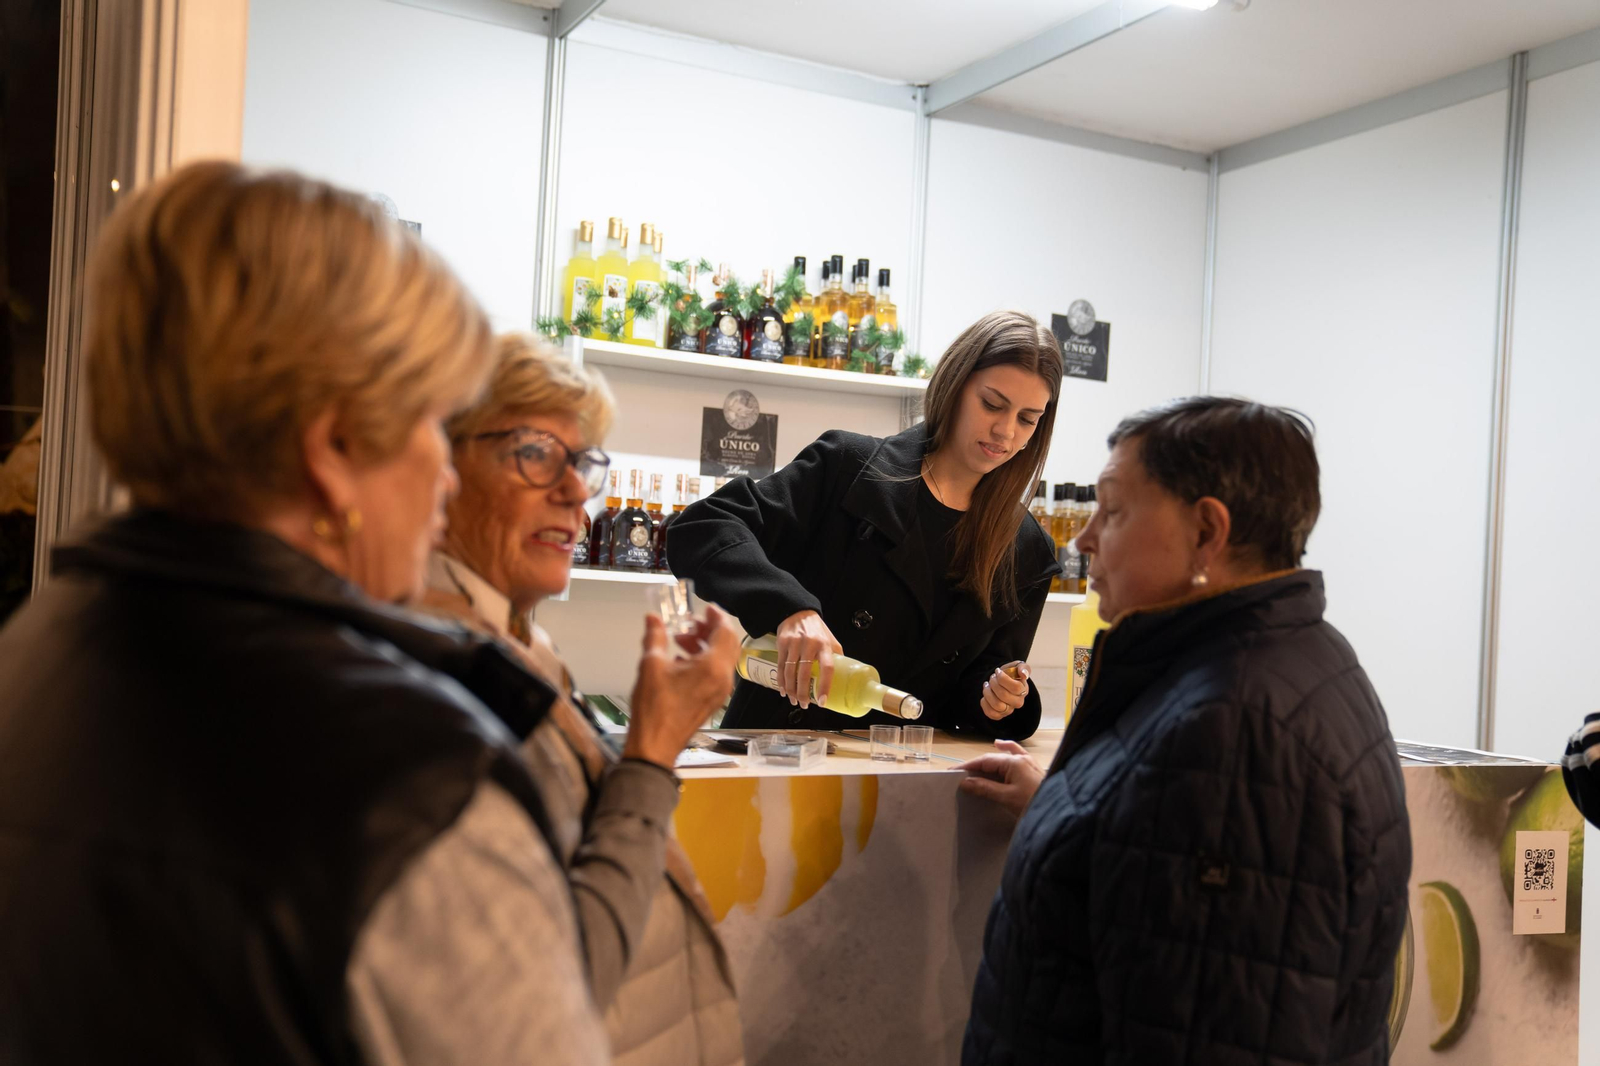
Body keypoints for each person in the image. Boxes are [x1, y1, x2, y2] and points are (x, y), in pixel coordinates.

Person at [0, 161, 739, 1063]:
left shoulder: (41, 641)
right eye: (433, 423)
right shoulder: (415, 774)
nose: (442, 469)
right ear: (334, 448)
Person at [959, 397, 1411, 1064]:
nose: (1083, 541)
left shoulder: (1234, 734)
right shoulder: (1293, 658)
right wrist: (1079, 811)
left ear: (1207, 532)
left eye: (1112, 512)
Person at [420, 332, 742, 1065]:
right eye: (534, 453)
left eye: (584, 462)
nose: (574, 492)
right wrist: (653, 749)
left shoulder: (520, 641)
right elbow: (557, 985)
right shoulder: (447, 670)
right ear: (440, 468)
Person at [668, 310, 1062, 738]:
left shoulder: (1026, 549)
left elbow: (974, 685)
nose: (1006, 431)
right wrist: (788, 608)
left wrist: (998, 697)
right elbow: (704, 526)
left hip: (906, 773)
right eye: (992, 404)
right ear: (954, 385)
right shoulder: (847, 467)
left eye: (1027, 418)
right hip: (780, 752)